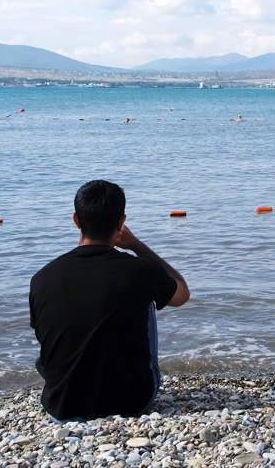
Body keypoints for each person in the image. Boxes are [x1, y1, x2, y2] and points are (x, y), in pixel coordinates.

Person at [30, 180, 190, 422]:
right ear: (121, 222)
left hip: (60, 407)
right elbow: (182, 294)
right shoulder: (140, 270)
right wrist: (137, 246)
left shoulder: (42, 278)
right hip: (130, 402)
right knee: (146, 294)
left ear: (76, 220)